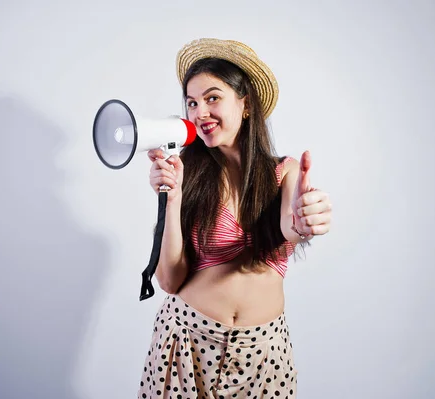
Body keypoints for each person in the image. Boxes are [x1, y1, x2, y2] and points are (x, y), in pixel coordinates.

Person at [138, 38, 332, 399]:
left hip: (262, 356)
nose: (199, 112)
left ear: (245, 104)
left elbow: (292, 225)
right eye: (192, 103)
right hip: (185, 342)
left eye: (213, 98)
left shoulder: (283, 172)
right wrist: (173, 197)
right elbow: (168, 280)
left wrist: (306, 220)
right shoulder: (185, 174)